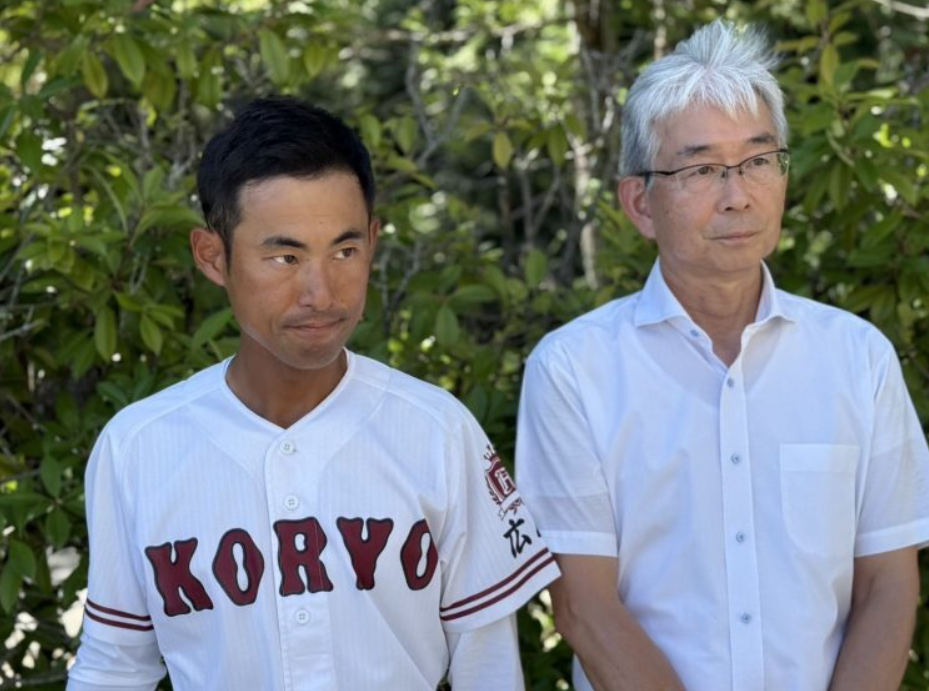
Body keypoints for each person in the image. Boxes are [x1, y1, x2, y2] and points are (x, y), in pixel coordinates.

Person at [67, 96, 559, 691]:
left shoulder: (437, 431)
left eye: (345, 251)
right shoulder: (137, 447)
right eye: (284, 256)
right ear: (213, 257)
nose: (320, 293)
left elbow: (489, 668)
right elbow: (114, 668)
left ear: (373, 241)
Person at [515, 20, 929, 691]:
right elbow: (583, 605)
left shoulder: (858, 359)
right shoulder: (572, 370)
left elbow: (888, 581)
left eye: (759, 161)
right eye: (702, 169)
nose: (738, 195)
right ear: (639, 202)